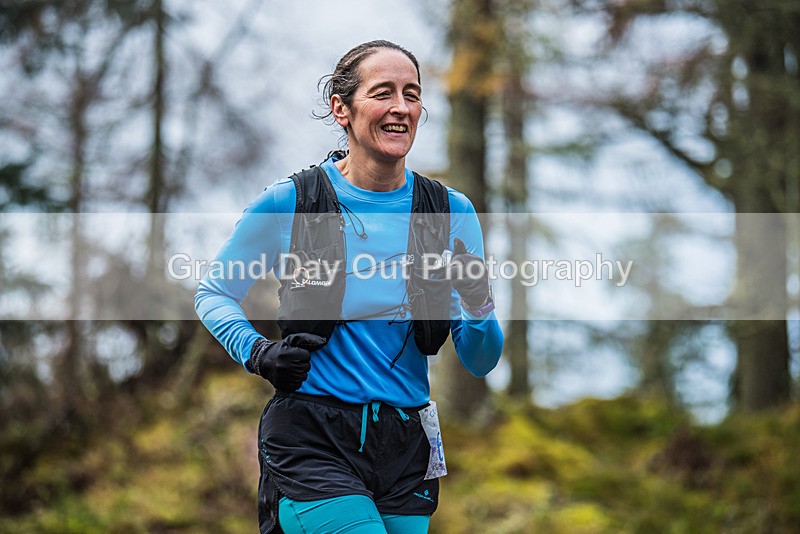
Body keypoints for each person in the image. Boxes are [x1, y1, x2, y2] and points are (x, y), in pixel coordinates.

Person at [195, 40, 504, 534]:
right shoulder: (291, 202)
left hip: (406, 444)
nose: (401, 107)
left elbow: (481, 359)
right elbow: (213, 293)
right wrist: (257, 352)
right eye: (383, 93)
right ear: (341, 108)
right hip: (313, 437)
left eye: (412, 94)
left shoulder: (451, 212)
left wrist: (477, 302)